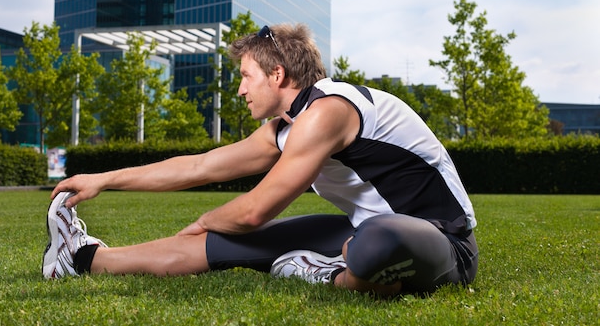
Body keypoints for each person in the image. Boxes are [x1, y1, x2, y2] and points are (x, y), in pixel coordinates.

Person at [43, 23, 478, 297]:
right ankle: (82, 258)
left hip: (443, 244)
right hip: (359, 229)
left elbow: (253, 212)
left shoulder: (329, 111)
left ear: (278, 75)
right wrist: (104, 178)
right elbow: (200, 166)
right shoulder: (287, 126)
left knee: (378, 241)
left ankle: (334, 276)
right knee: (227, 243)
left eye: (247, 76)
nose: (240, 90)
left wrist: (204, 219)